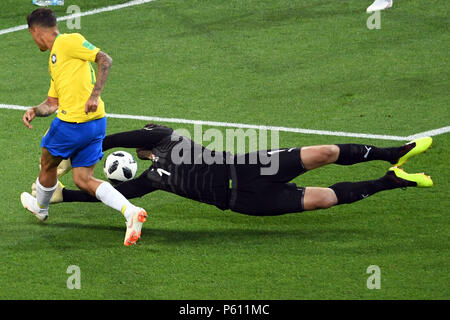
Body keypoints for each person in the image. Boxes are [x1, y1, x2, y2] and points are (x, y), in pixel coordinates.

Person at [37, 123, 433, 219]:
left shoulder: (167, 139)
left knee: (327, 151)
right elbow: (120, 197)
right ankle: (390, 180)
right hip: (244, 201)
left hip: (250, 167)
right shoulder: (149, 179)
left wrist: (82, 151)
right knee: (326, 198)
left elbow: (116, 137)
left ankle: (394, 151)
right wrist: (64, 194)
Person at [20, 8, 147, 246]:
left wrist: (95, 95)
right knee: (83, 178)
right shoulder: (55, 59)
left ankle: (41, 207)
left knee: (47, 162)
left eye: (32, 35)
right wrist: (35, 111)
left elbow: (105, 59)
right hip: (96, 124)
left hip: (73, 123)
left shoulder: (68, 41)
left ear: (35, 31)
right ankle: (130, 211)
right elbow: (51, 103)